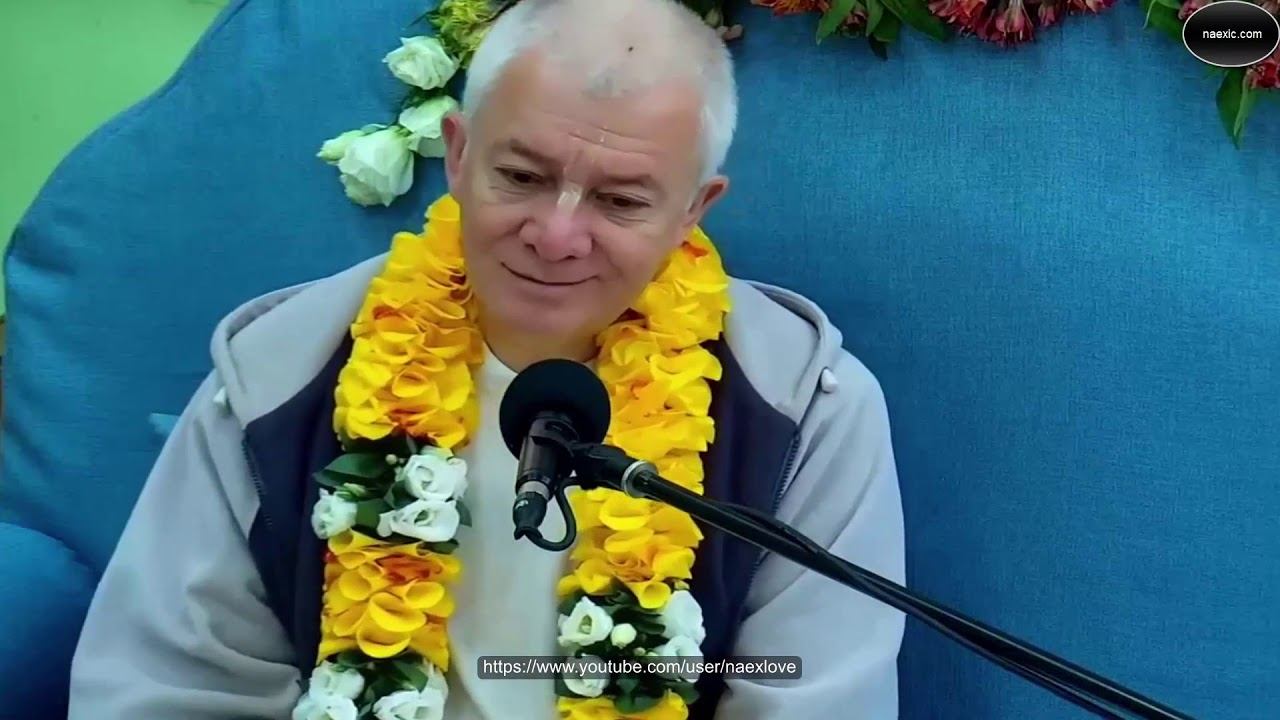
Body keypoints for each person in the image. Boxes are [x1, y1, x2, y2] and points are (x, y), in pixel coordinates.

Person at [67, 0, 906, 718]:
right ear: (460, 155)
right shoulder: (280, 373)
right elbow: (168, 689)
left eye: (619, 200)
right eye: (523, 176)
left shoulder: (804, 411)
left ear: (693, 209)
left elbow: (812, 697)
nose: (557, 235)